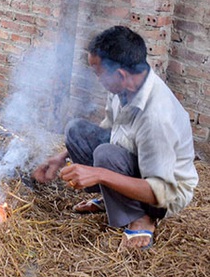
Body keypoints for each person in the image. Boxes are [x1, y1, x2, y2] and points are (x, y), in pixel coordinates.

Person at [32, 26, 198, 250]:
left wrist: (100, 174)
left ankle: (142, 218)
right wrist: (62, 157)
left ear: (119, 74)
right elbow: (109, 130)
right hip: (137, 161)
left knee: (105, 155)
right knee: (76, 130)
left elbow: (162, 191)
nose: (97, 79)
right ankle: (111, 198)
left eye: (98, 73)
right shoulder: (124, 88)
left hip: (166, 192)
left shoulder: (157, 118)